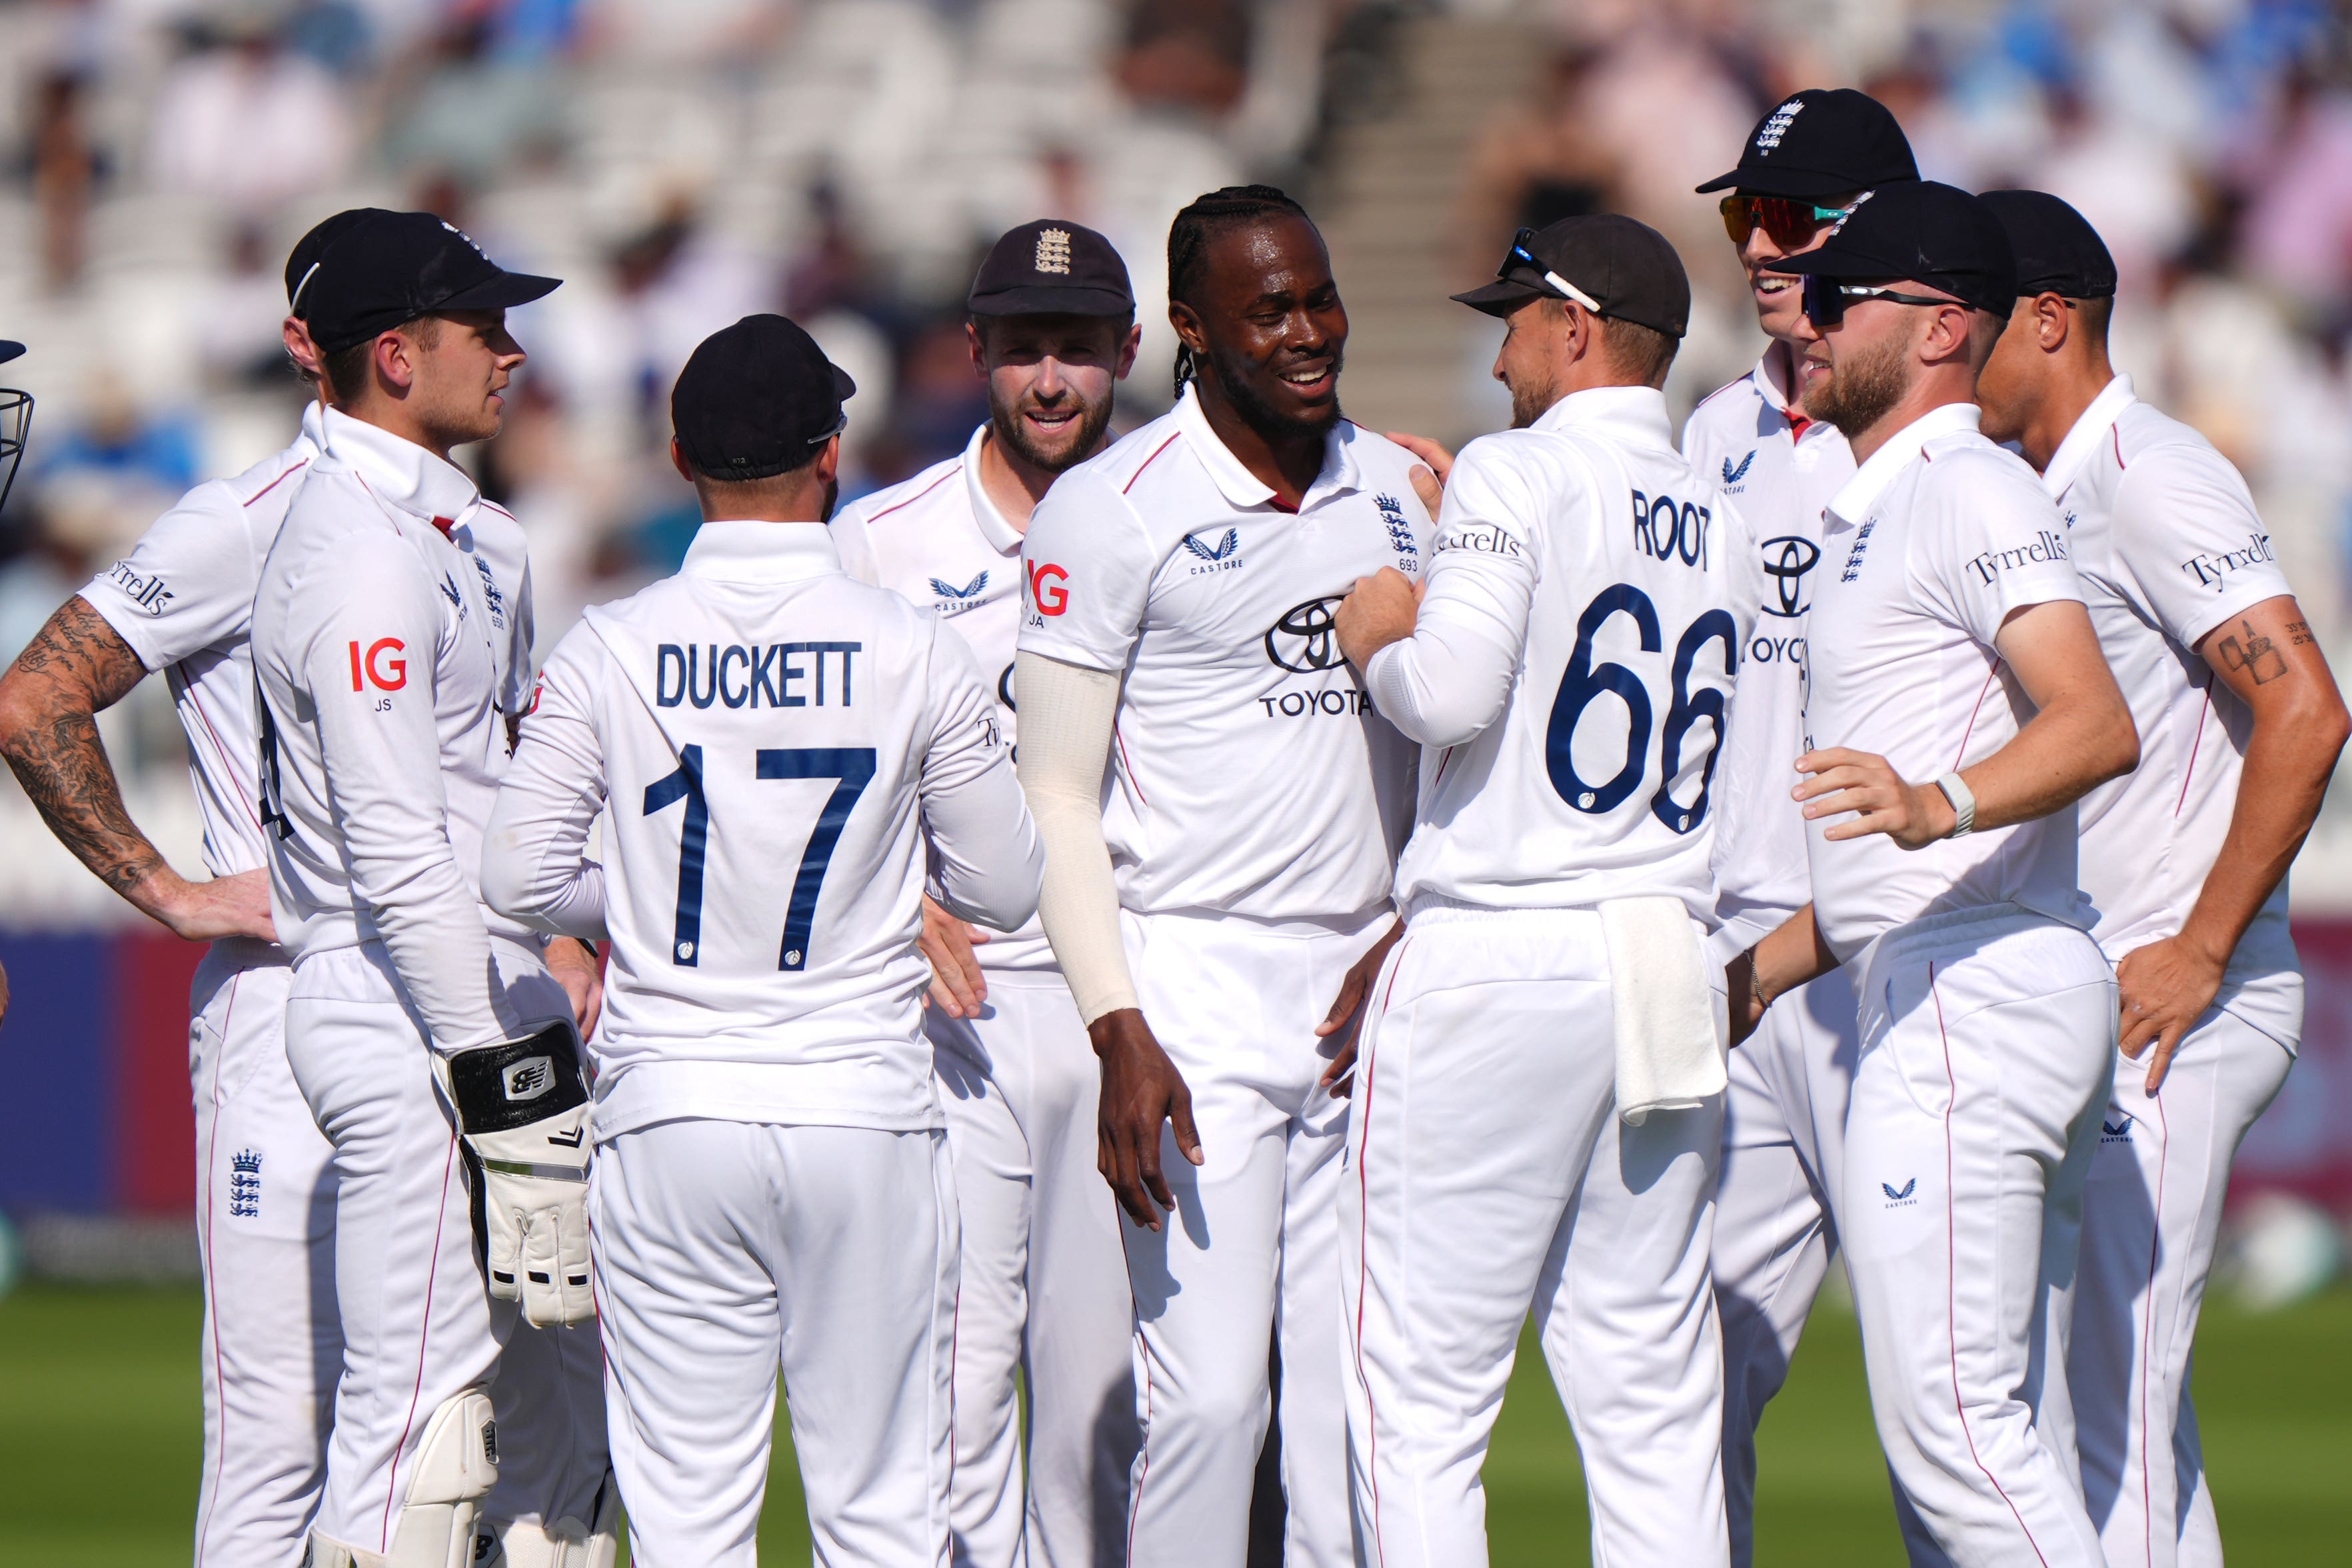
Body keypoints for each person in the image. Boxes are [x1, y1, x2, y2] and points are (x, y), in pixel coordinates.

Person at [481, 314, 1043, 1567]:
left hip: (671, 1106)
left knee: (688, 1522)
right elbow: (1003, 891)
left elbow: (516, 874)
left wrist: (636, 897)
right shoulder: (914, 645)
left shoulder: (612, 645)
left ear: (679, 457)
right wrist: (892, 890)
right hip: (861, 1106)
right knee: (883, 1513)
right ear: (830, 454)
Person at [1012, 185, 1433, 1568]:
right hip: (1191, 987)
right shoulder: (1109, 510)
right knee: (1206, 1398)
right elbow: (1056, 795)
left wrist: (1416, 920)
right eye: (1270, 308)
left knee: (1344, 1410)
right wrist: (1116, 1022)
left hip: (1368, 993)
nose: (1309, 331)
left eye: (1320, 297)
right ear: (1191, 329)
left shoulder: (1404, 486)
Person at [1330, 214, 1749, 1567]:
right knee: (1652, 1399)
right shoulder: (1727, 516)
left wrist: (1383, 637)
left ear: (1574, 327)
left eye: (1514, 319)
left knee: (1418, 1395)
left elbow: (1446, 695)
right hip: (1663, 949)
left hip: (1504, 947)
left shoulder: (1515, 472)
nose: (1498, 352)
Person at [1738, 181, 2141, 1567]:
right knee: (1986, 1432)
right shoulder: (1882, 503)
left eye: (1846, 294)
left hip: (1975, 993)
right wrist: (1749, 975)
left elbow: (2094, 720)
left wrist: (1937, 803)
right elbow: (1877, 865)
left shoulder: (1963, 484)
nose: (1812, 310)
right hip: (1947, 975)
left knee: (1954, 1437)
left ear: (1939, 327)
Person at [1975, 190, 2350, 1568]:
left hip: (2179, 998)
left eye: (1970, 312)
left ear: (2051, 318)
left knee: (2103, 1410)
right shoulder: (2046, 486)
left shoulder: (2147, 470)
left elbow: (2306, 708)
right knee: (2119, 1412)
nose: (1942, 339)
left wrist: (2198, 945)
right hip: (2119, 988)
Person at [247, 210, 612, 1568]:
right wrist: (500, 1089)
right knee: (424, 1438)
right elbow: (399, 854)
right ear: (395, 355)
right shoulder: (356, 550)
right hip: (401, 1009)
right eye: (485, 329)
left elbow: (501, 806)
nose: (513, 354)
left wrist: (583, 937)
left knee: (564, 1458)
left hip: (483, 1002)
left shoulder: (471, 535)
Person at [830, 219, 1144, 1568]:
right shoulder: (875, 543)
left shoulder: (1180, 516)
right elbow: (801, 775)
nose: (1052, 380)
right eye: (1025, 350)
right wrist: (894, 898)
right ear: (976, 354)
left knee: (1107, 1414)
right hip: (952, 1026)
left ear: (1130, 351)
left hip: (1134, 1010)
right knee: (954, 1397)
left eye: (1078, 348)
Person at [1679, 87, 1936, 1565]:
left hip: (1891, 952)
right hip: (1728, 955)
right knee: (1689, 1372)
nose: (1761, 249)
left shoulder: (1931, 442)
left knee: (1939, 1393)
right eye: (1742, 217)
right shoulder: (1715, 427)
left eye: (1792, 219)